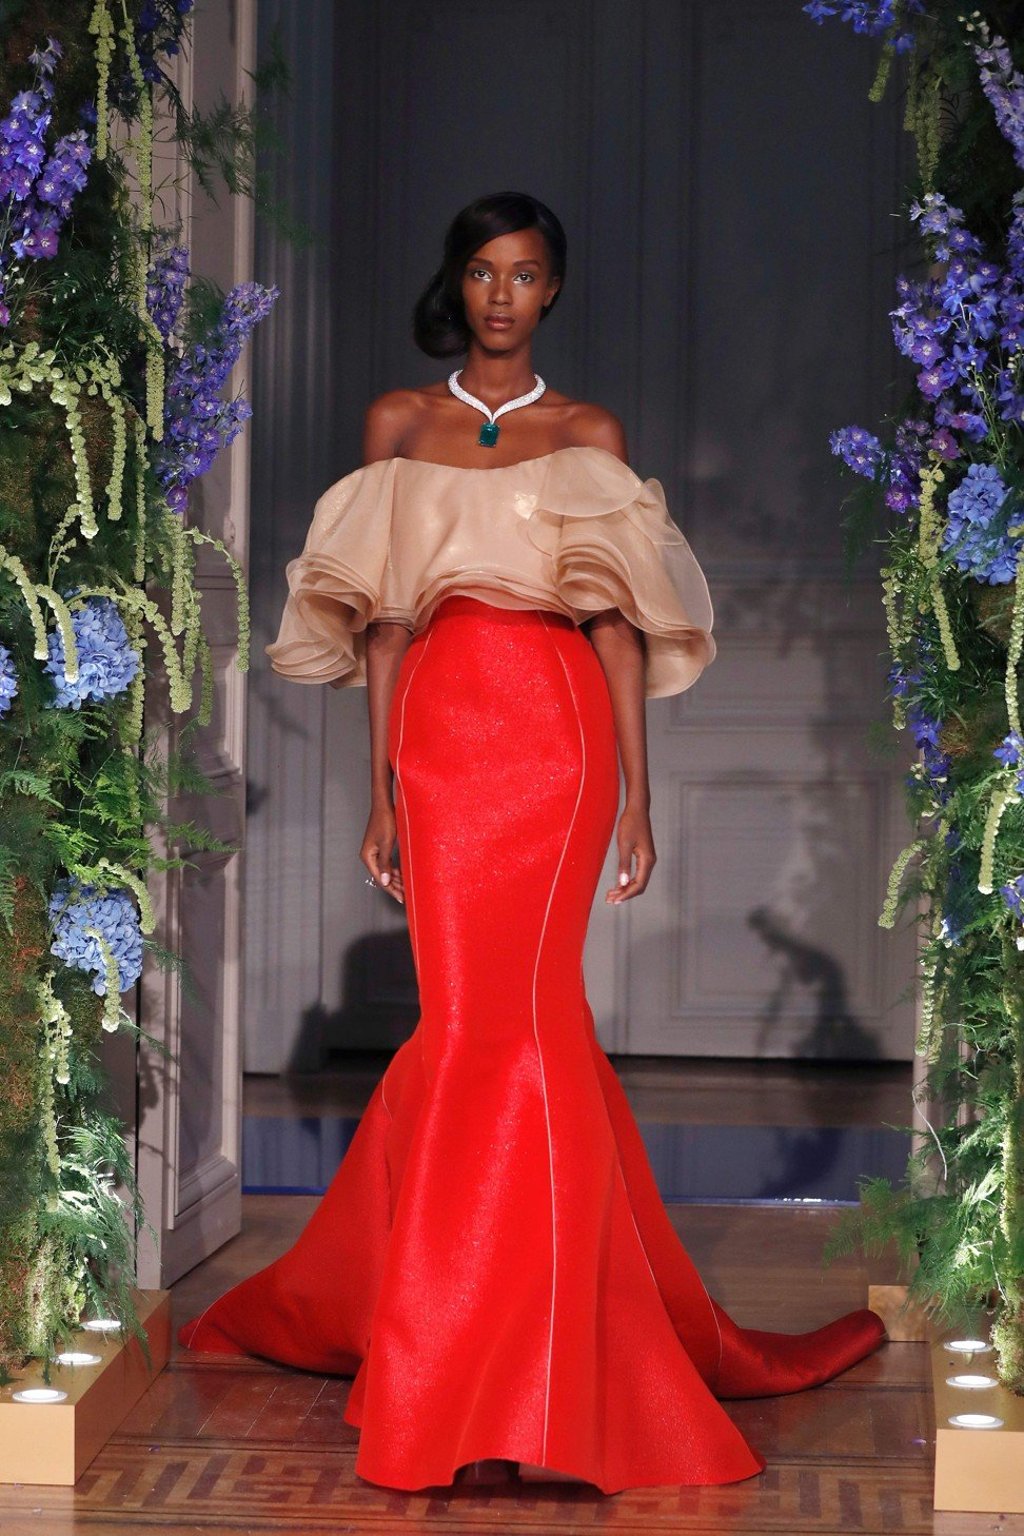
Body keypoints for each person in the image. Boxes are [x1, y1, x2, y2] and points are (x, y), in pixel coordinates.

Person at [178, 190, 886, 1495]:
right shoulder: (403, 423)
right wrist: (385, 787)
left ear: (552, 290)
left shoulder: (586, 433)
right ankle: (465, 1351)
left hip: (559, 741)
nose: (504, 293)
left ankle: (510, 1372)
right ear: (459, 283)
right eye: (485, 272)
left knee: (525, 1025)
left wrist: (641, 791)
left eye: (528, 274)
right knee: (466, 1030)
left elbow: (617, 624)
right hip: (445, 737)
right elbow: (386, 626)